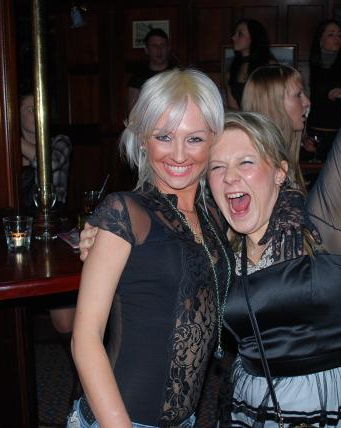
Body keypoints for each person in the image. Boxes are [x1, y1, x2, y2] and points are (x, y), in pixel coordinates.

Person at [208, 0, 341, 423]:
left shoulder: (321, 221)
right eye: (217, 167)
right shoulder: (219, 241)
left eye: (245, 162)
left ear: (279, 172)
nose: (230, 178)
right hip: (250, 405)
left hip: (329, 407)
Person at [67, 68, 232, 428]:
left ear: (214, 140)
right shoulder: (126, 212)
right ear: (143, 138)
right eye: (164, 136)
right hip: (118, 420)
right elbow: (85, 338)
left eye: (194, 138)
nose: (179, 154)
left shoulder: (216, 218)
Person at [241, 64, 311, 189]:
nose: (307, 102)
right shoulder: (258, 165)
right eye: (298, 95)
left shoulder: (279, 155)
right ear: (273, 103)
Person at [301, 20, 341, 161]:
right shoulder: (307, 69)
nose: (337, 39)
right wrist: (303, 136)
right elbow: (300, 106)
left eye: (340, 35)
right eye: (331, 35)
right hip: (314, 135)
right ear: (320, 40)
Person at [20, 94, 72, 214]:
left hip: (54, 216)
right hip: (21, 218)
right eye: (32, 109)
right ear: (17, 115)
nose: (38, 113)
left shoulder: (60, 141)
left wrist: (12, 138)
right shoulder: (10, 152)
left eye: (40, 108)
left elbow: (50, 163)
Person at [226, 19, 276, 111]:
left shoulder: (269, 66)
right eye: (234, 33)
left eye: (240, 34)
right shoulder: (233, 69)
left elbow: (276, 101)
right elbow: (233, 108)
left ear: (254, 38)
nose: (233, 37)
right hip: (242, 119)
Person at [127, 28, 177, 113]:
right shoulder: (138, 76)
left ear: (168, 48)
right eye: (154, 46)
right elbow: (132, 110)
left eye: (162, 45)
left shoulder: (178, 74)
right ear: (147, 50)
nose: (159, 50)